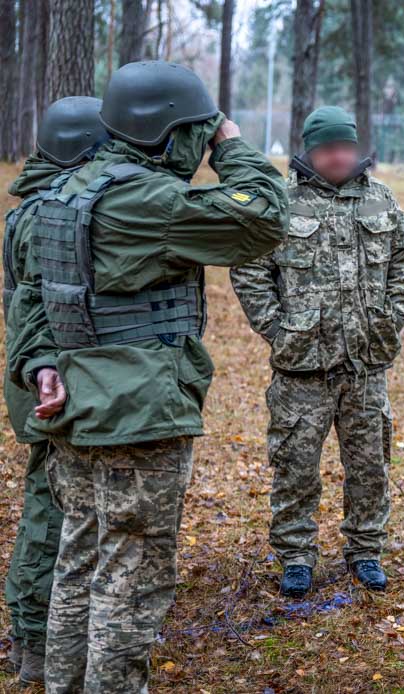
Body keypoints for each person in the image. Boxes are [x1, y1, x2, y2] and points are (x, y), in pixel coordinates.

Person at [7, 60, 288, 693]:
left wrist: (40, 364)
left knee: (79, 564)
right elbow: (266, 217)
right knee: (131, 577)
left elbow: (34, 297)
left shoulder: (65, 191)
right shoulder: (146, 199)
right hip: (135, 414)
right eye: (196, 130)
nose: (201, 140)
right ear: (169, 132)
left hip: (75, 409)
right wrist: (231, 144)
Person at [231, 106, 404, 599]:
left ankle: (365, 550)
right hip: (302, 370)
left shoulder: (380, 199)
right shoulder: (281, 203)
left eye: (346, 148)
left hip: (365, 364)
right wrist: (279, 330)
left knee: (370, 465)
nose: (339, 157)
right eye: (329, 148)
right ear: (310, 151)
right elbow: (249, 270)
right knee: (295, 467)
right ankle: (296, 555)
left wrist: (390, 318)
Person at [1, 96, 108, 686]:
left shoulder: (36, 204)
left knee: (50, 507)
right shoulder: (50, 212)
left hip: (43, 377)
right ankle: (34, 640)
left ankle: (36, 636)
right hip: (50, 383)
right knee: (49, 513)